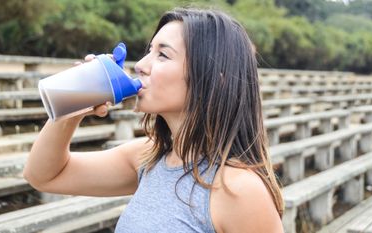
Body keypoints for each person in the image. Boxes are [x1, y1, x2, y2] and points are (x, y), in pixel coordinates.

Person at [24, 7, 284, 233]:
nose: (141, 65)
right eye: (150, 51)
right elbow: (44, 176)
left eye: (163, 55)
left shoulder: (240, 191)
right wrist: (74, 104)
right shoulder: (149, 158)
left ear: (216, 79)